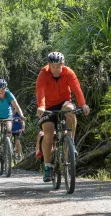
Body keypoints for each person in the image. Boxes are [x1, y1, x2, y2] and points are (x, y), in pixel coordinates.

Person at [36, 52, 90, 182]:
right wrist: (41, 106)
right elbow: (40, 90)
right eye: (52, 66)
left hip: (64, 102)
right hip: (48, 106)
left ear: (62, 65)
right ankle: (48, 167)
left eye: (58, 66)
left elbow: (76, 88)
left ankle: (70, 142)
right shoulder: (43, 73)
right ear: (49, 65)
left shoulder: (69, 73)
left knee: (71, 110)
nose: (55, 69)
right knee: (48, 133)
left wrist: (83, 104)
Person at [0, 79, 25, 162]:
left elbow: (17, 107)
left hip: (7, 115)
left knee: (9, 130)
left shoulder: (9, 95)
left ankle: (7, 146)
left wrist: (21, 116)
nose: (1, 91)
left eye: (2, 89)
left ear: (5, 88)